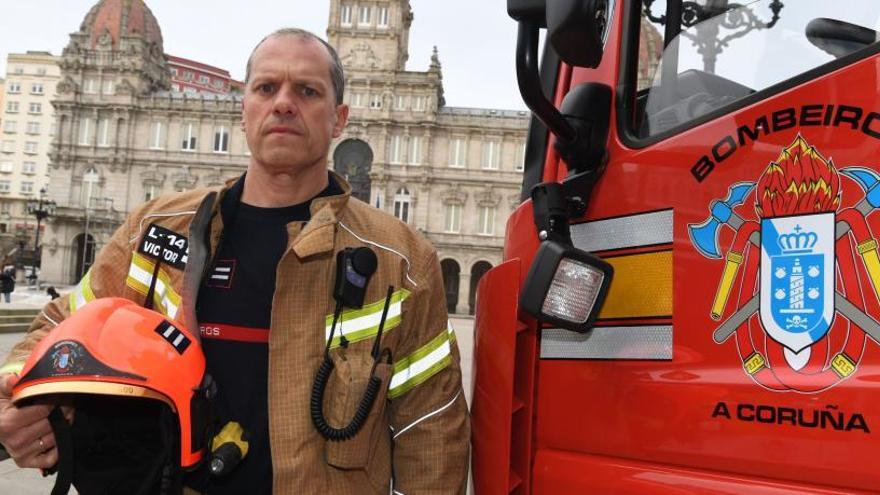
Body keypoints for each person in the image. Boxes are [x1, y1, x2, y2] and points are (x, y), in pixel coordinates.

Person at [0, 28, 469, 494]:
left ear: (339, 119)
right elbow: (61, 327)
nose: (283, 103)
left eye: (307, 91)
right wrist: (15, 398)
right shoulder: (158, 228)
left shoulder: (400, 260)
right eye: (266, 88)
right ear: (243, 110)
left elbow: (430, 430)